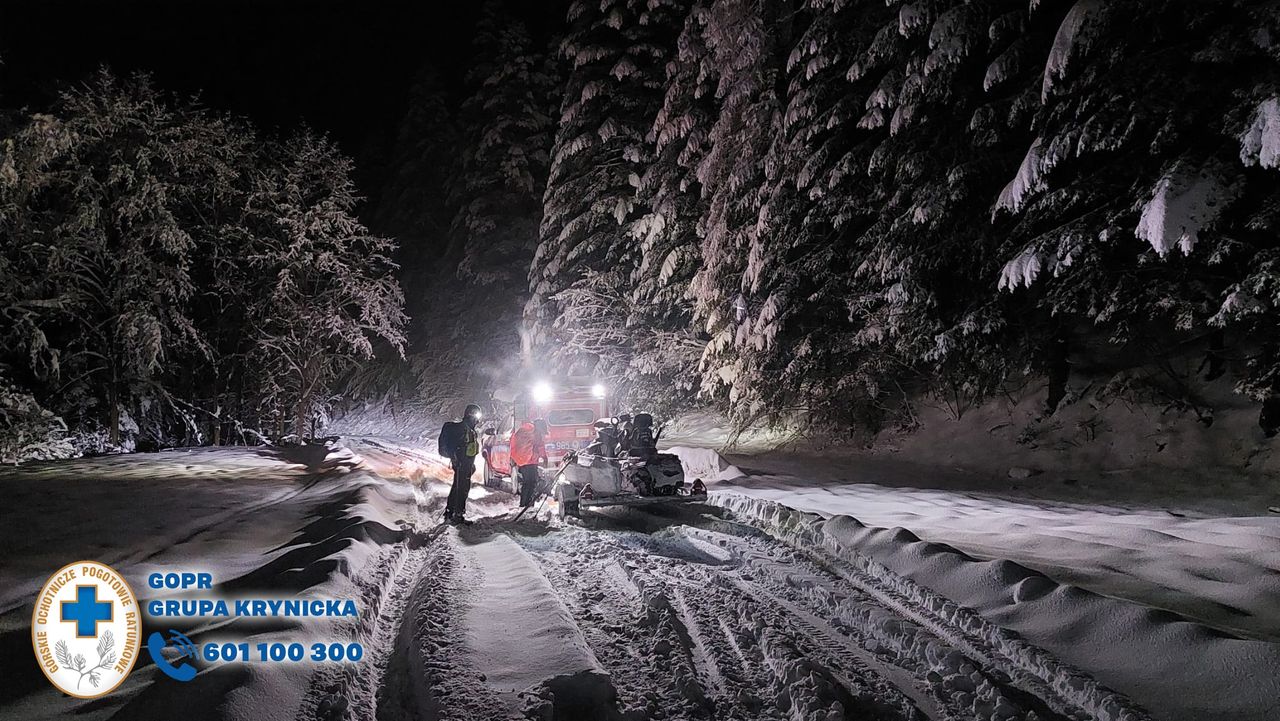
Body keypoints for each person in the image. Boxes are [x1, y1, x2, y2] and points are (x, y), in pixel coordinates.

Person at [440, 403, 483, 525]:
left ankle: (452, 512)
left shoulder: (470, 429)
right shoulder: (461, 429)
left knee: (459, 487)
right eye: (476, 415)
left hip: (466, 464)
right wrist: (456, 460)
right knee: (461, 488)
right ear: (470, 414)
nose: (477, 419)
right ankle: (457, 514)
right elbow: (455, 447)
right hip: (461, 463)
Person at [509, 417, 548, 508]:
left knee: (528, 482)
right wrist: (544, 458)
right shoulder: (534, 433)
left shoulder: (526, 429)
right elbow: (540, 446)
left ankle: (524, 503)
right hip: (530, 461)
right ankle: (528, 504)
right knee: (531, 482)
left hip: (523, 461)